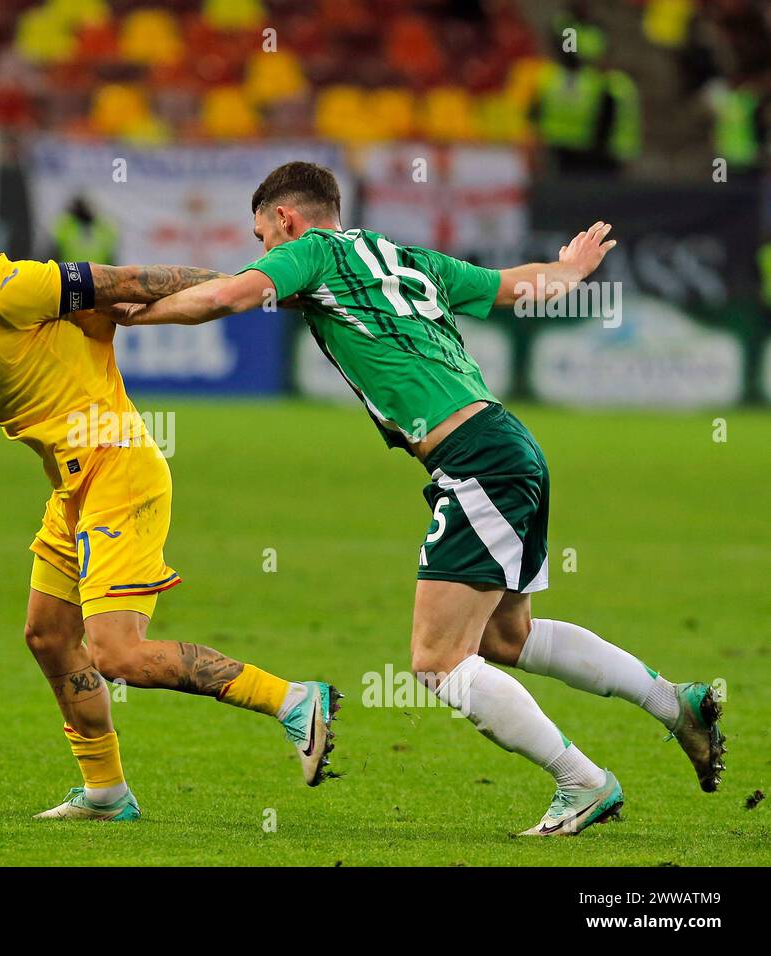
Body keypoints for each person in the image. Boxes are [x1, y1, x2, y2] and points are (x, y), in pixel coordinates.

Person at [111, 161, 725, 835]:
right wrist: (571, 271)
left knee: (437, 661)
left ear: (286, 219)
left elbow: (226, 298)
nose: (264, 254)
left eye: (263, 237)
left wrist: (126, 321)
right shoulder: (402, 257)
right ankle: (676, 704)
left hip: (475, 461)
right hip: (505, 444)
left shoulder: (311, 253)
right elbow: (515, 287)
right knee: (506, 635)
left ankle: (583, 782)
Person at [0, 188, 340, 821]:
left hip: (118, 470)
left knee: (118, 655)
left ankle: (294, 700)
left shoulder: (8, 288)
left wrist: (260, 285)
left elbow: (131, 280)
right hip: (72, 488)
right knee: (48, 637)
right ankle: (106, 793)